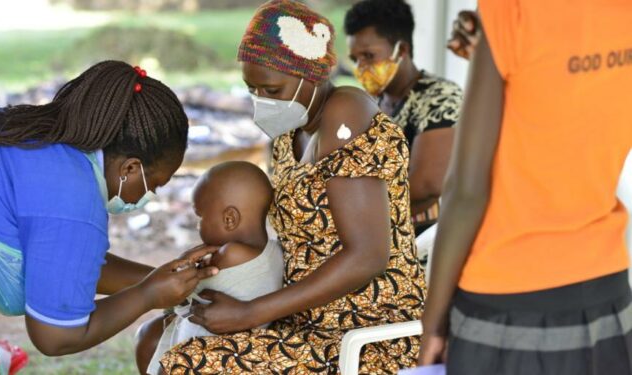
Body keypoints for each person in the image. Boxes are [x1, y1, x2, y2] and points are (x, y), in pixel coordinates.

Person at [0, 61, 218, 374]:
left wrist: (162, 280)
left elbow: (66, 264)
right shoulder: (74, 199)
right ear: (130, 168)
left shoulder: (40, 139)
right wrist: (147, 296)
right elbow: (57, 336)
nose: (150, 197)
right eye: (154, 184)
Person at [158, 1, 427, 373]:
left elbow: (368, 256)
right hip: (301, 321)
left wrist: (251, 312)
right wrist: (222, 262)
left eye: (271, 89)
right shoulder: (288, 136)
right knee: (157, 337)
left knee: (187, 363)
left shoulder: (345, 112)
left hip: (365, 334)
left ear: (312, 76)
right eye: (252, 89)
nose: (262, 102)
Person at [419, 1, 632, 374]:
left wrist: (432, 323)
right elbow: (574, 114)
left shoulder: (511, 10)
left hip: (505, 306)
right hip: (608, 296)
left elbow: (466, 192)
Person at [136, 161, 284, 374]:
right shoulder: (274, 250)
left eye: (201, 217)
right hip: (228, 338)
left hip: (210, 344)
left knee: (159, 352)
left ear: (229, 219)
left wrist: (185, 264)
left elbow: (185, 290)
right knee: (150, 333)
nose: (198, 226)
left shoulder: (231, 253)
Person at [344, 0, 463, 235]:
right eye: (356, 58)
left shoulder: (440, 98)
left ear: (403, 50)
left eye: (369, 55)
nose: (361, 67)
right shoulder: (373, 102)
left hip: (427, 238)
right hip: (377, 232)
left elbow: (426, 187)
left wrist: (345, 208)